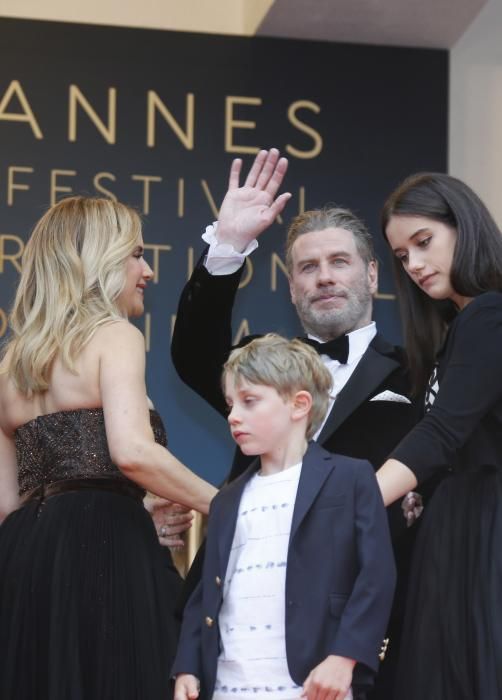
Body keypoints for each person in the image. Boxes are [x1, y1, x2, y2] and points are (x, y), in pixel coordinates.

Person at [171, 149, 422, 698]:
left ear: (372, 273)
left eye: (339, 262)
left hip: (367, 627)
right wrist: (229, 245)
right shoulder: (262, 372)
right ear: (290, 285)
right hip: (240, 624)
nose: (324, 278)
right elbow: (192, 355)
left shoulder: (417, 373)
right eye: (308, 267)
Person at [0, 196, 217, 700]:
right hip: (105, 556)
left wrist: (136, 514)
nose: (148, 270)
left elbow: (10, 505)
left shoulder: (10, 368)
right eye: (135, 254)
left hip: (25, 562)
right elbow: (133, 453)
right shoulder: (115, 335)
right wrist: (229, 503)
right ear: (98, 259)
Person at [172, 334, 396, 700]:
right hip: (230, 687)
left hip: (315, 686)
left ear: (299, 405)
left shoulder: (350, 478)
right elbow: (205, 593)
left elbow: (376, 576)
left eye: (249, 401)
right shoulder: (228, 498)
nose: (233, 416)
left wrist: (345, 657)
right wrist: (187, 665)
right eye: (230, 404)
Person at [375, 172, 502, 699]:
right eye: (402, 257)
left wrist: (350, 501)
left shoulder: (489, 315)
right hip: (455, 530)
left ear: (464, 225)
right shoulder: (462, 325)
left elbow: (443, 432)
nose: (416, 265)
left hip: (483, 531)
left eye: (424, 242)